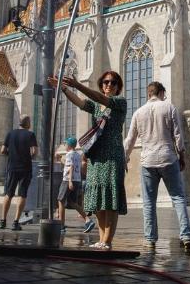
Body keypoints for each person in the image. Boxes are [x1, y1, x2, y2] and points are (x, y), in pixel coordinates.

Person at [48, 71, 128, 251]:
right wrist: (63, 88)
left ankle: (107, 240)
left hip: (112, 156)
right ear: (102, 84)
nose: (109, 85)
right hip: (96, 155)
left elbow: (98, 97)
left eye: (113, 83)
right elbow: (80, 102)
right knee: (99, 199)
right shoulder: (96, 107)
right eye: (106, 82)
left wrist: (77, 85)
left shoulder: (119, 102)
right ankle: (100, 239)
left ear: (117, 87)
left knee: (110, 198)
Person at [124, 81, 190, 249]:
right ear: (161, 92)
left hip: (148, 161)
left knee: (149, 202)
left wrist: (125, 158)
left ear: (149, 94)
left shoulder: (138, 112)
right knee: (178, 198)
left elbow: (130, 139)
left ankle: (150, 239)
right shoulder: (169, 108)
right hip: (168, 157)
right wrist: (182, 156)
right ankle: (186, 236)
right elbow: (178, 135)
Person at [0, 116, 38, 230]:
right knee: (22, 194)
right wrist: (27, 156)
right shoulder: (30, 134)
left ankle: (2, 221)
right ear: (27, 123)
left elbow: (2, 150)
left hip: (12, 167)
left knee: (8, 194)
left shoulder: (10, 134)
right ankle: (16, 222)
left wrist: (12, 155)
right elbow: (35, 151)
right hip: (25, 168)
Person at [56, 138, 94, 233]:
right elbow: (72, 166)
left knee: (60, 201)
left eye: (65, 144)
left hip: (68, 180)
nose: (64, 146)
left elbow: (71, 167)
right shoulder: (77, 155)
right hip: (77, 179)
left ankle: (61, 226)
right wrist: (61, 161)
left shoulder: (69, 154)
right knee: (72, 202)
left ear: (69, 145)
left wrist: (69, 181)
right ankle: (88, 220)